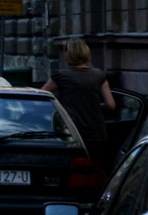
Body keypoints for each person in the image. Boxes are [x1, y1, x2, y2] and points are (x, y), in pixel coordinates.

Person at [42, 38, 116, 184]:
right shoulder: (98, 75)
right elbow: (111, 105)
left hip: (72, 131)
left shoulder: (60, 76)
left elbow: (42, 96)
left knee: (73, 170)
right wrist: (94, 106)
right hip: (96, 130)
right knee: (98, 170)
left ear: (69, 55)